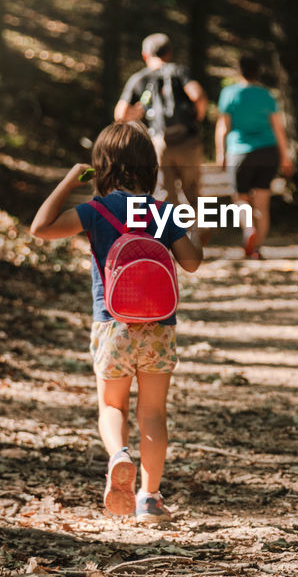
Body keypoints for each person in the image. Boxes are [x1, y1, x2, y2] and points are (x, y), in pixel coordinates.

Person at [30, 122, 203, 522]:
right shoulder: (161, 212)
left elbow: (40, 228)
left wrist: (71, 179)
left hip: (112, 325)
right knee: (154, 413)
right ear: (150, 166)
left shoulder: (95, 211)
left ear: (102, 166)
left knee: (112, 404)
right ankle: (150, 498)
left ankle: (118, 455)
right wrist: (199, 226)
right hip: (159, 327)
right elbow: (191, 263)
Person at [114, 33, 209, 206]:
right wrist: (197, 117)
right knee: (193, 191)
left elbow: (120, 114)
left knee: (165, 194)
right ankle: (201, 227)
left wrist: (136, 113)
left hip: (159, 143)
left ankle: (173, 231)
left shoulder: (139, 78)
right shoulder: (180, 71)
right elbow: (199, 96)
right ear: (169, 53)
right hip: (188, 140)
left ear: (145, 55)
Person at [214, 57, 294, 259]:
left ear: (238, 71)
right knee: (262, 203)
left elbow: (223, 127)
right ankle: (257, 249)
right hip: (268, 151)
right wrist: (285, 157)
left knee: (240, 198)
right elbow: (278, 128)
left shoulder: (230, 93)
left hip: (239, 152)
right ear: (258, 71)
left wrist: (220, 153)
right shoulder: (266, 95)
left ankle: (249, 228)